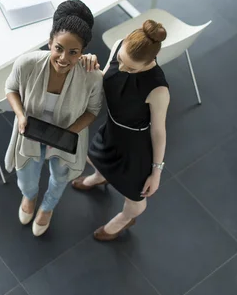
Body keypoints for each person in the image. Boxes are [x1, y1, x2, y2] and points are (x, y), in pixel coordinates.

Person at [5, 0, 103, 237]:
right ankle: (29, 197)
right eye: (58, 48)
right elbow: (11, 88)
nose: (63, 58)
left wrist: (69, 132)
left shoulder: (91, 77)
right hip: (30, 131)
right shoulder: (27, 63)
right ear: (49, 42)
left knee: (60, 177)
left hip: (66, 137)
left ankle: (47, 207)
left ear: (82, 52)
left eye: (73, 52)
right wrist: (20, 115)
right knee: (27, 172)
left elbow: (93, 110)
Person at [73, 20, 170, 241]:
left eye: (132, 68)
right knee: (93, 158)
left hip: (135, 147)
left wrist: (156, 172)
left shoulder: (158, 89)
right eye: (121, 62)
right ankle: (100, 177)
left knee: (136, 197)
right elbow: (104, 79)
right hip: (113, 128)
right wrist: (89, 69)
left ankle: (125, 218)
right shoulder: (119, 46)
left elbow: (158, 132)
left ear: (150, 61)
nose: (124, 69)